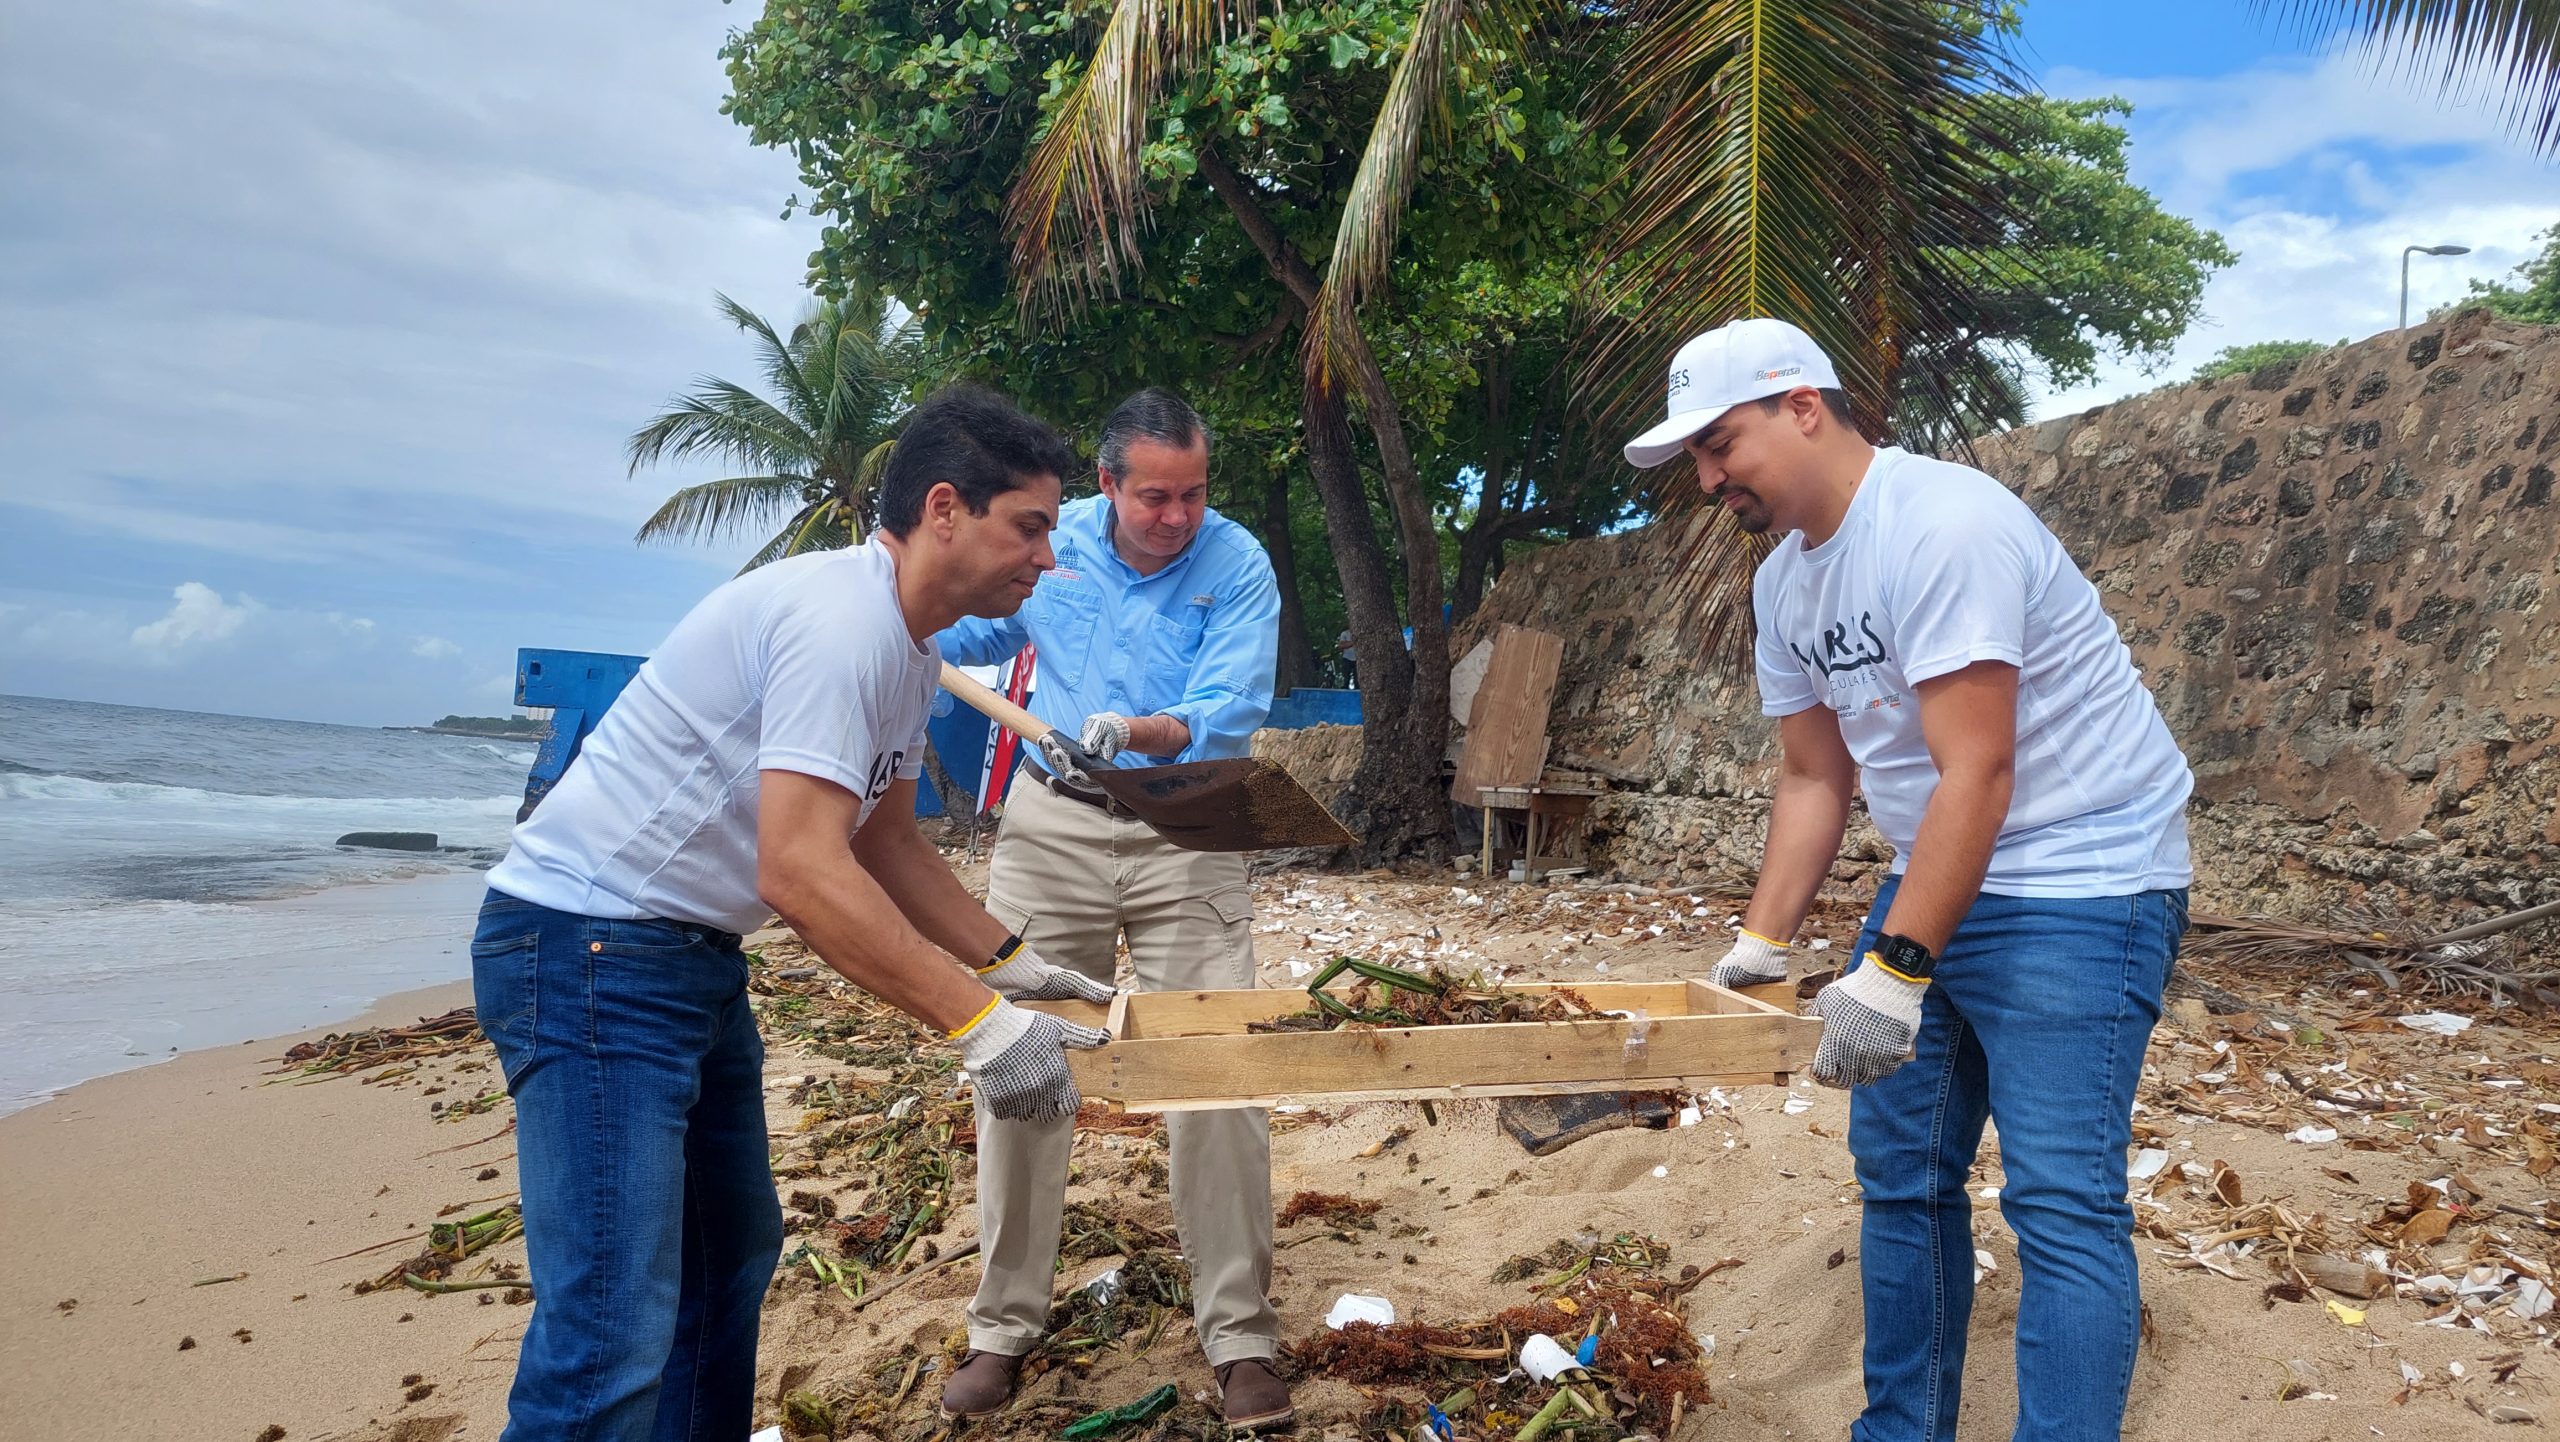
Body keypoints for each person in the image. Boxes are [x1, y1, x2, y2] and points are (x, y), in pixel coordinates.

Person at [471, 384, 1121, 1442]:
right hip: (588, 948)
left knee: (726, 1256)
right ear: (946, 508)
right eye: (1033, 526)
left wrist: (1015, 962)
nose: (1047, 558)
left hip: (683, 956)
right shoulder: (842, 622)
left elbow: (886, 840)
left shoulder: (909, 648)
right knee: (608, 1326)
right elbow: (801, 870)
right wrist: (978, 1022)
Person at [1623, 318, 2194, 1442]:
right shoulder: (1784, 585)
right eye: (1691, 457)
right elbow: (1810, 779)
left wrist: (1891, 969)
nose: (1704, 478)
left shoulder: (1942, 523)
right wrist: (1760, 946)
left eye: (1717, 443)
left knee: (2058, 1198)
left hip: (2083, 872)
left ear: (1800, 405)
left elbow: (1978, 769)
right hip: (1940, 860)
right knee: (1899, 1167)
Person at [934, 387, 1291, 1430]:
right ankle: (1002, 1321)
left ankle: (1240, 1332)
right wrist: (903, 606)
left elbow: (1230, 705)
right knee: (1020, 1056)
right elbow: (964, 612)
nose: (1175, 516)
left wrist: (1141, 729)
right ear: (1106, 484)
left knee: (1218, 1066)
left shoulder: (1237, 563)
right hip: (1051, 821)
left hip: (1190, 819)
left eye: (1191, 494)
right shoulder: (1054, 540)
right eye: (1153, 497)